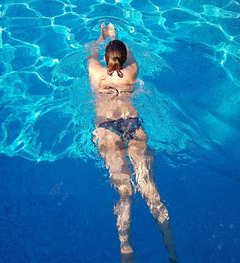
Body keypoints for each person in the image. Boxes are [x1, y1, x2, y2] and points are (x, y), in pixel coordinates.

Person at [87, 23, 178, 263]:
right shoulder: (132, 71)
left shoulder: (95, 71)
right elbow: (130, 53)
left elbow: (91, 52)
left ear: (107, 59)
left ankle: (126, 247)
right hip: (133, 124)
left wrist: (102, 37)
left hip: (107, 128)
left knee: (125, 191)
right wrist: (117, 37)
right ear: (124, 59)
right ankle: (170, 248)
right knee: (150, 188)